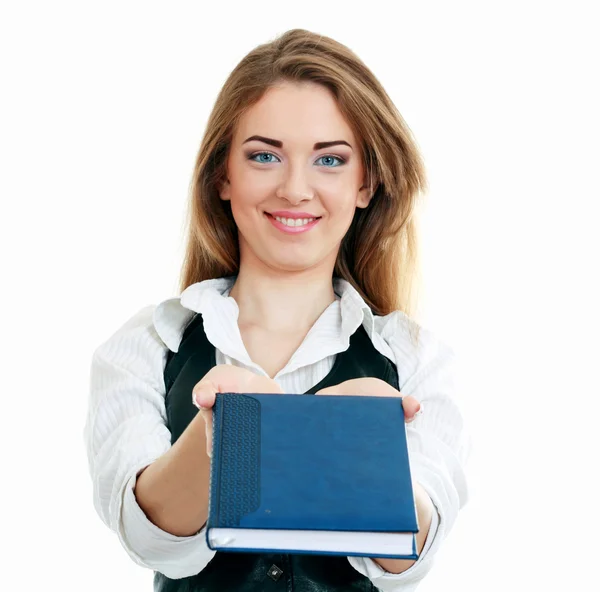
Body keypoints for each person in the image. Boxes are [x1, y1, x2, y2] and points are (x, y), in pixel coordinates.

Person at [84, 28, 471, 592]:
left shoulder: (414, 357)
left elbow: (410, 559)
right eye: (264, 156)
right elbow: (149, 541)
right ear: (223, 175)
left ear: (366, 183)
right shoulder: (149, 344)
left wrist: (371, 453)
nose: (295, 188)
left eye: (330, 160)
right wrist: (219, 438)